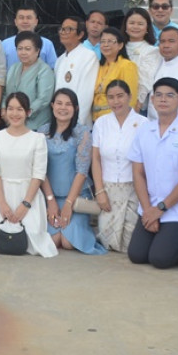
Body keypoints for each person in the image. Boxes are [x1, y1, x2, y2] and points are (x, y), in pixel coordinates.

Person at [127, 77, 178, 269]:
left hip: (177, 209)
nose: (163, 99)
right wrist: (148, 210)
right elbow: (138, 173)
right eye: (159, 95)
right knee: (136, 255)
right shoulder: (144, 130)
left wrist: (160, 209)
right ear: (152, 100)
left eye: (170, 95)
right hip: (150, 206)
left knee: (160, 259)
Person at [0, 92, 56, 257]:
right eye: (10, 109)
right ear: (4, 112)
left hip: (28, 195)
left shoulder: (37, 139)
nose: (15, 113)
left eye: (19, 109)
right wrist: (2, 203)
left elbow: (38, 175)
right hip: (2, 194)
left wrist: (25, 205)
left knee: (32, 242)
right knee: (3, 239)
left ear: (28, 112)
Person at [41, 89, 105, 254]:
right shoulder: (42, 132)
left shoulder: (83, 133)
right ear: (52, 106)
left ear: (76, 108)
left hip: (76, 199)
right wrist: (50, 201)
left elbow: (82, 172)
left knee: (68, 242)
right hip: (50, 197)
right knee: (53, 240)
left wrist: (69, 204)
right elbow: (39, 170)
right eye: (59, 103)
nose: (63, 108)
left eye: (68, 104)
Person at [91, 79, 145, 253]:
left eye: (120, 96)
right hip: (108, 189)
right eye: (111, 97)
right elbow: (96, 159)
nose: (116, 101)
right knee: (108, 242)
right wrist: (100, 191)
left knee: (130, 244)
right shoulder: (101, 123)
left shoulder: (144, 124)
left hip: (134, 189)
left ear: (129, 96)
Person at [3, 32, 54, 131]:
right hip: (13, 122)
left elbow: (43, 99)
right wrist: (4, 109)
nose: (23, 52)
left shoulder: (44, 70)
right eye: (20, 48)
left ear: (37, 51)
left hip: (36, 124)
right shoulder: (14, 68)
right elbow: (5, 92)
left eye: (27, 49)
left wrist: (24, 113)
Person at [54, 16, 98, 126]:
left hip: (78, 123)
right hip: (59, 121)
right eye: (62, 29)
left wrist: (77, 123)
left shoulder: (88, 56)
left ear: (80, 34)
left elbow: (86, 94)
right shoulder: (60, 60)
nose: (63, 32)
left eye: (69, 29)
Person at [91, 26, 139, 121]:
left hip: (116, 118)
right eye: (103, 41)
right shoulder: (98, 66)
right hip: (96, 119)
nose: (106, 45)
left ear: (120, 45)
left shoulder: (127, 65)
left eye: (110, 41)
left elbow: (131, 98)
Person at [1, 5, 58, 69]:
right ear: (15, 22)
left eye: (29, 18)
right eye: (21, 18)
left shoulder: (47, 44)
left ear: (36, 22)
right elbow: (0, 70)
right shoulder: (4, 44)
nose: (25, 21)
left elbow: (53, 69)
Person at [124, 8, 160, 108]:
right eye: (132, 23)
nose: (135, 27)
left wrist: (137, 104)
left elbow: (145, 80)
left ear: (147, 27)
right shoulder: (118, 47)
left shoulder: (152, 51)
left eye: (140, 24)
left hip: (137, 105)